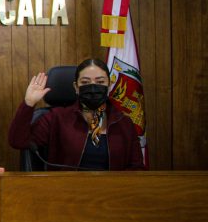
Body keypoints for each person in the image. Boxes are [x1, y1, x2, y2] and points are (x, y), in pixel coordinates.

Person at [8, 58, 144, 171]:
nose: (93, 87)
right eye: (85, 82)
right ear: (76, 87)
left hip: (113, 192)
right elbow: (18, 141)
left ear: (109, 86)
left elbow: (137, 169)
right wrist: (29, 103)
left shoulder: (124, 123)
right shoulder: (56, 118)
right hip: (66, 191)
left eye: (100, 82)